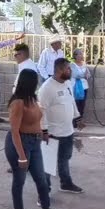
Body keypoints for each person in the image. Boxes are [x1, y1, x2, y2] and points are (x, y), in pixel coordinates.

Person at [3, 69, 56, 209]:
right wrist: (21, 156)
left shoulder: (32, 99)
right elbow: (15, 131)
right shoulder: (18, 102)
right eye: (35, 80)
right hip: (20, 143)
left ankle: (46, 208)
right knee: (19, 180)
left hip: (35, 142)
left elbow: (35, 121)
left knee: (41, 178)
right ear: (29, 82)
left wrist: (43, 132)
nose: (38, 83)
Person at [39, 57, 83, 195]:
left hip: (67, 131)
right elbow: (41, 111)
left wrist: (78, 117)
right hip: (52, 133)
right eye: (68, 68)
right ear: (59, 70)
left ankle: (66, 183)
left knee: (64, 159)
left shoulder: (67, 83)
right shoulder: (46, 88)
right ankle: (44, 193)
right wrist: (44, 131)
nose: (70, 71)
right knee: (48, 166)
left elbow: (71, 101)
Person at [70, 48, 89, 128]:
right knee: (76, 104)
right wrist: (84, 75)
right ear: (75, 56)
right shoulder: (72, 65)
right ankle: (75, 122)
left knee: (82, 105)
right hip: (75, 87)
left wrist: (85, 75)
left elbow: (88, 74)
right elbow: (76, 75)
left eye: (82, 54)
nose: (81, 56)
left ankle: (80, 121)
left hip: (84, 87)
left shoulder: (84, 64)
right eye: (80, 54)